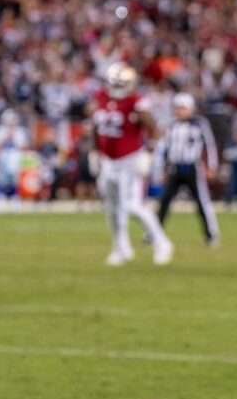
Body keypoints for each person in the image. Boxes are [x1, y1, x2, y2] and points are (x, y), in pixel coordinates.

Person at [91, 61, 173, 266]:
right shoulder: (100, 97)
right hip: (108, 161)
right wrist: (94, 152)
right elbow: (95, 126)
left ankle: (161, 242)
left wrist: (149, 153)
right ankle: (121, 247)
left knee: (133, 205)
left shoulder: (137, 101)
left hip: (131, 160)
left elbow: (155, 129)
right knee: (112, 207)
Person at [156, 92, 220, 246]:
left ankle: (211, 234)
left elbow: (210, 144)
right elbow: (165, 148)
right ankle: (154, 234)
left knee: (202, 202)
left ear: (191, 108)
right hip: (174, 167)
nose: (180, 111)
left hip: (192, 167)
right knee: (165, 201)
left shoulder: (199, 124)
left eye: (183, 108)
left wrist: (212, 166)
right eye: (178, 108)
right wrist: (162, 168)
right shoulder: (172, 125)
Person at [0, 109, 28, 205]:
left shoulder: (20, 131)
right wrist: (6, 137)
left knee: (14, 177)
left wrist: (13, 136)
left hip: (14, 155)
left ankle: (14, 195)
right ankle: (1, 195)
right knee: (2, 177)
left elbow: (23, 146)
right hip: (3, 155)